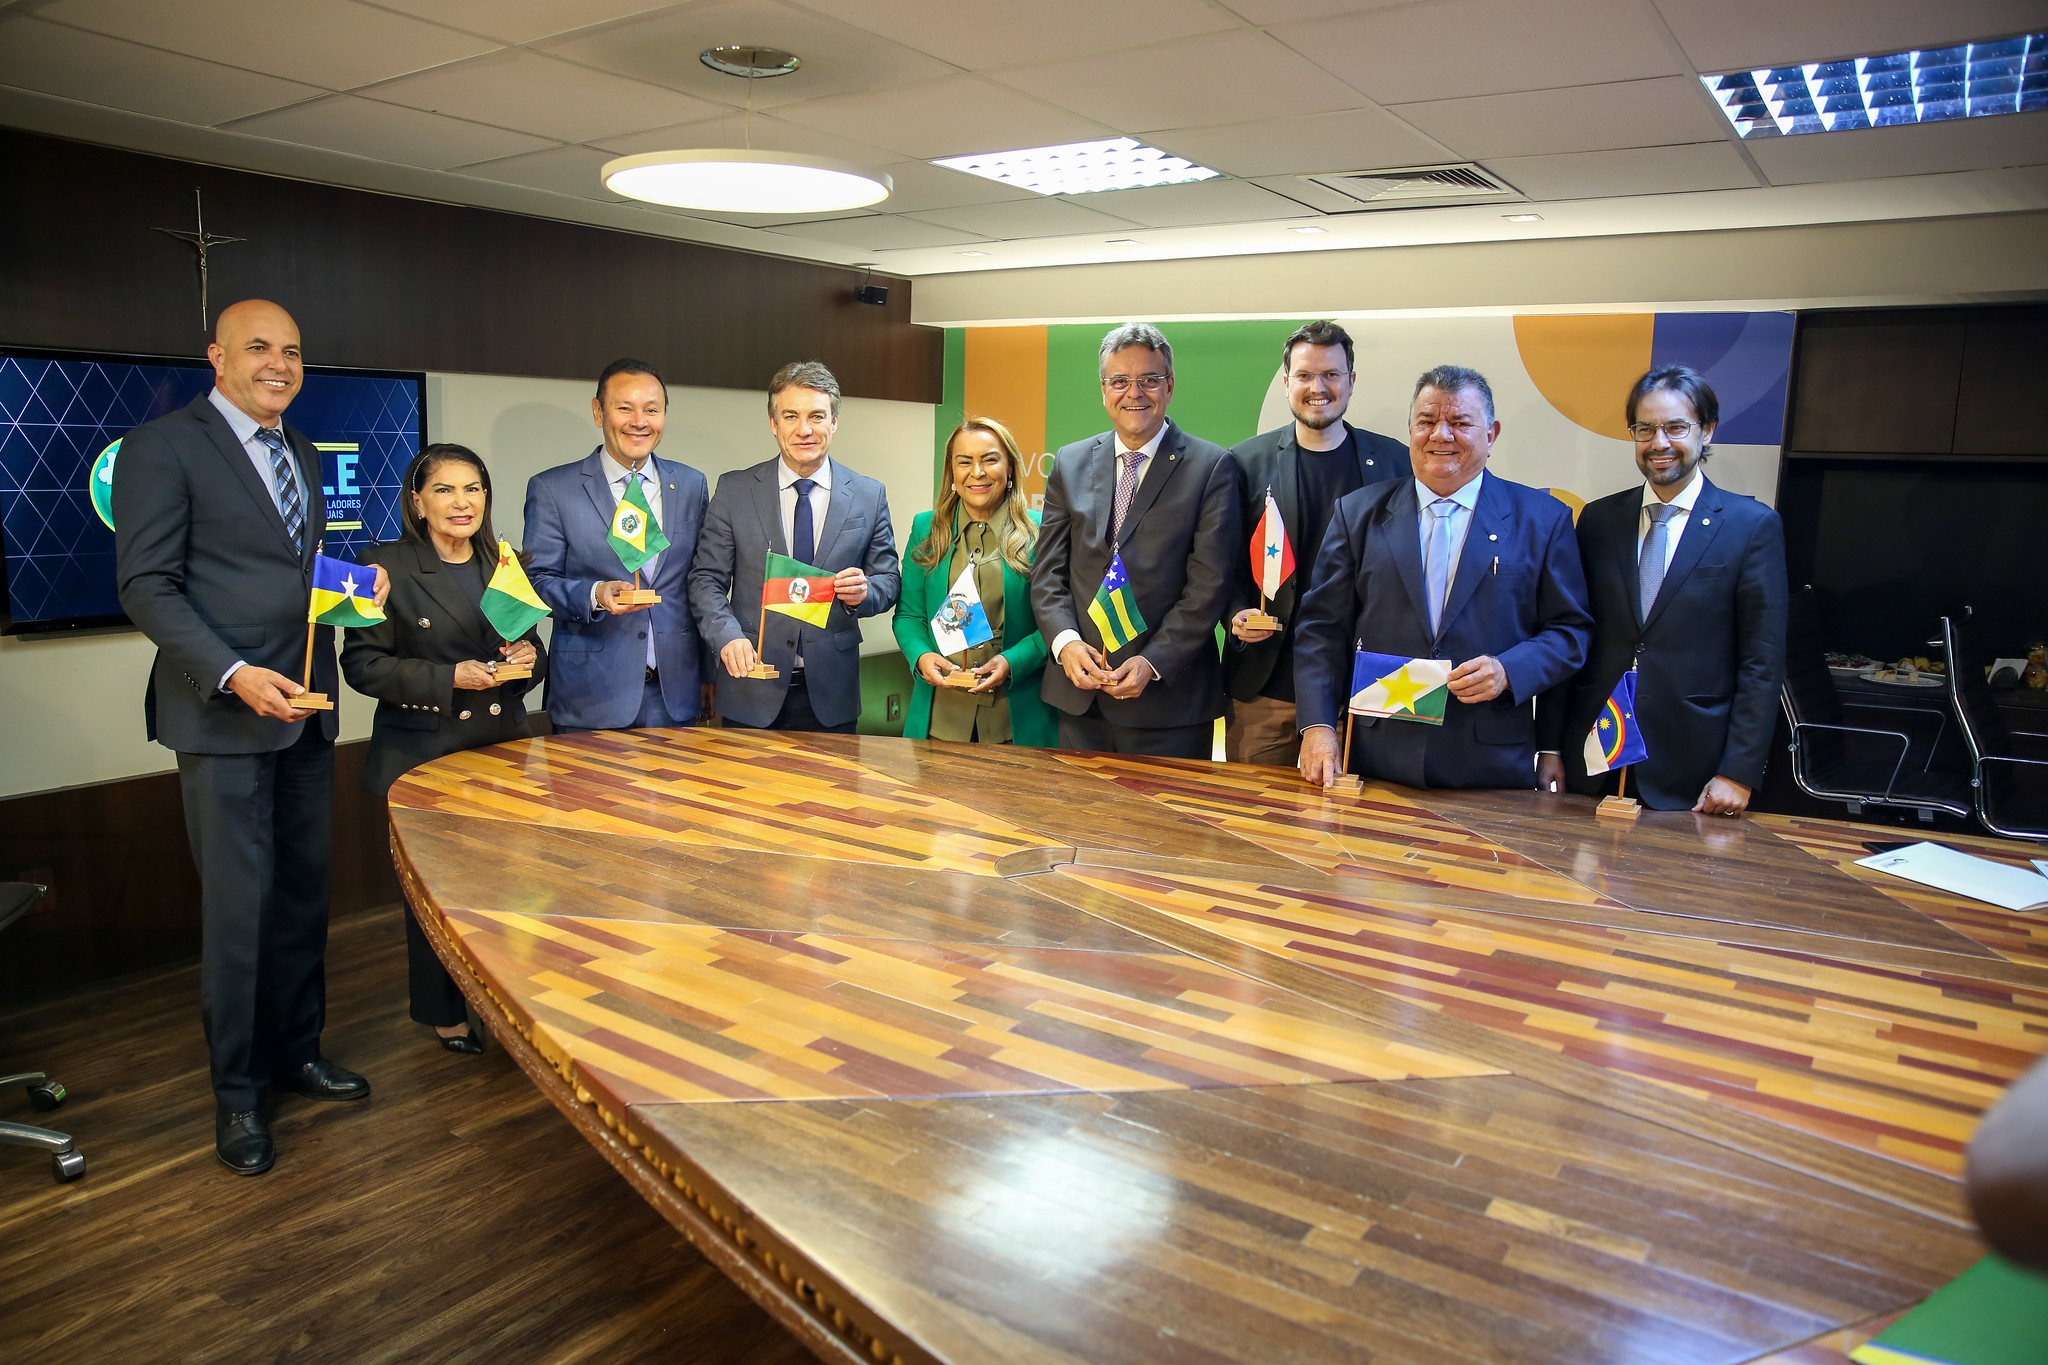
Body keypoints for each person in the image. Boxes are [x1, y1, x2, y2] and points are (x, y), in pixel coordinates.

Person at [113, 298, 386, 1176]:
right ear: (217, 357)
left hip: (303, 708)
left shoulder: (299, 447)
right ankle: (237, 1094)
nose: (280, 364)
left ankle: (297, 1052)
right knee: (240, 913)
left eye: (293, 351)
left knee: (304, 897)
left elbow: (287, 573)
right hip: (225, 715)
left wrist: (359, 583)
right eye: (259, 348)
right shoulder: (162, 447)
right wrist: (234, 674)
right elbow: (147, 586)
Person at [1296, 365, 1592, 789]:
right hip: (1375, 760)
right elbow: (1321, 629)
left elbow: (1570, 631)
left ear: (1491, 435)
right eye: (1427, 422)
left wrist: (1509, 670)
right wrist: (1318, 726)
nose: (1441, 435)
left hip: (1490, 766)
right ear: (1410, 431)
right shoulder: (1356, 513)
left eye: (1459, 422)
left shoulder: (1544, 520)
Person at [342, 444, 546, 1052]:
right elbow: (362, 665)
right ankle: (445, 1010)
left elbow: (530, 653)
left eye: (473, 489)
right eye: (445, 490)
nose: (462, 503)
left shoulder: (502, 562)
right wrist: (448, 678)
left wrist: (529, 658)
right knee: (437, 896)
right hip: (426, 756)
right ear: (417, 501)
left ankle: (503, 1003)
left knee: (505, 891)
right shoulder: (381, 564)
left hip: (501, 751)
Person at [1536, 366, 1787, 813]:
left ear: (1707, 430)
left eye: (1676, 428)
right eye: (1645, 429)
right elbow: (1571, 635)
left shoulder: (1752, 527)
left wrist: (1738, 771)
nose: (1659, 443)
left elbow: (1761, 662)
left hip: (1693, 769)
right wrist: (1550, 746)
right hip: (1592, 760)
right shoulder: (1598, 520)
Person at [1030, 323, 1241, 759]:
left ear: (1170, 386)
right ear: (1103, 389)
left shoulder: (1211, 467)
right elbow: (1048, 573)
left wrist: (1153, 662)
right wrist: (1066, 644)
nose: (1134, 393)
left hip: (1169, 705)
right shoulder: (1069, 461)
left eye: (1149, 379)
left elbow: (1208, 587)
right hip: (1081, 698)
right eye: (1120, 381)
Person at [1225, 320, 1410, 767]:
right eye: (1305, 375)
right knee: (1253, 810)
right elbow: (1219, 563)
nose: (1318, 388)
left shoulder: (1396, 463)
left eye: (1331, 374)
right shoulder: (1244, 462)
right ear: (1286, 382)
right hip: (1266, 691)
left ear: (1351, 380)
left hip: (1365, 692)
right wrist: (1233, 613)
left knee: (1357, 811)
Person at [688, 360, 900, 732]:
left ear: (834, 422)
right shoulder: (735, 491)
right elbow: (705, 580)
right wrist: (726, 637)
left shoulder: (869, 495)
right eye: (791, 416)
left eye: (817, 416)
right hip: (750, 685)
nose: (804, 429)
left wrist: (865, 592)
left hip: (832, 694)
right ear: (773, 423)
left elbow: (889, 580)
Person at [523, 358, 707, 732]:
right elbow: (536, 582)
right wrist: (595, 594)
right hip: (591, 695)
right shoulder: (553, 489)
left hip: (675, 696)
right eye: (625, 408)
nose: (639, 421)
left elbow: (701, 582)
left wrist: (709, 674)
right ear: (598, 411)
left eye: (652, 410)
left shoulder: (692, 484)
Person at [893, 417, 1056, 747]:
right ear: (952, 472)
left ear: (1010, 468)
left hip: (1018, 718)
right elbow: (909, 615)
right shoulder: (925, 528)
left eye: (990, 460)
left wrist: (1012, 661)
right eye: (964, 462)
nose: (977, 472)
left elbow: (1057, 621)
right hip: (940, 719)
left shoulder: (1042, 531)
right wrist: (921, 656)